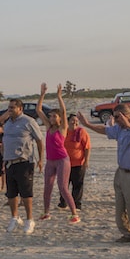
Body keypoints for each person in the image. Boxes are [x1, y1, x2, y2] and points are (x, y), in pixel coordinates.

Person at [78, 105, 130, 245]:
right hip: (122, 172)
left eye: (117, 116)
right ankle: (127, 233)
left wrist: (128, 125)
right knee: (120, 207)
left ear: (126, 115)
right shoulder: (119, 128)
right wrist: (87, 124)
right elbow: (105, 130)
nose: (115, 120)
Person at [37, 83, 79, 224]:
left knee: (62, 187)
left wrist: (59, 96)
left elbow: (64, 111)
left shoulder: (63, 128)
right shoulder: (49, 128)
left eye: (55, 116)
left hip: (62, 160)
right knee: (47, 187)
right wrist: (42, 94)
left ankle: (74, 214)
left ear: (59, 118)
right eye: (51, 116)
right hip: (50, 161)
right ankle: (46, 212)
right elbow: (38, 110)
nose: (52, 118)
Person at [1, 98, 44, 234]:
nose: (10, 110)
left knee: (26, 193)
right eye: (9, 107)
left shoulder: (28, 121)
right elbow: (5, 141)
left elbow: (39, 140)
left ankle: (29, 220)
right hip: (9, 162)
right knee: (11, 193)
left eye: (12, 107)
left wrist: (41, 159)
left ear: (20, 108)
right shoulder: (7, 123)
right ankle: (15, 217)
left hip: (24, 162)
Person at [59, 114, 90, 211]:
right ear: (67, 121)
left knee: (78, 184)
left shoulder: (81, 132)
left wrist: (86, 161)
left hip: (78, 163)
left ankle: (77, 204)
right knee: (64, 184)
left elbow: (87, 147)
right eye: (72, 120)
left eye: (76, 121)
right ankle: (63, 202)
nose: (74, 122)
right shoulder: (64, 131)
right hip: (65, 163)